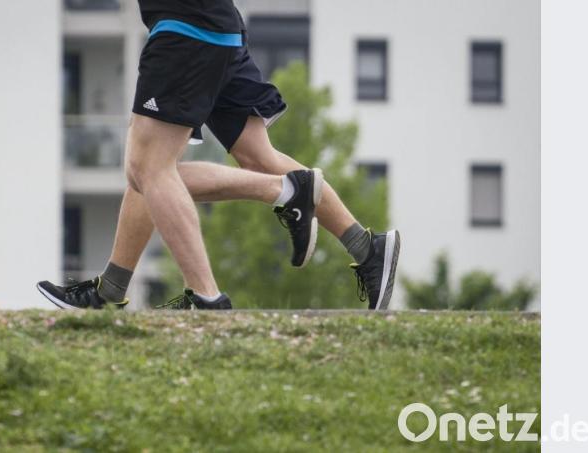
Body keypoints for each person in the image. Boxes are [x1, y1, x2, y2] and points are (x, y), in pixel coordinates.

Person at [37, 0, 400, 311]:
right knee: (251, 157)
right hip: (218, 28)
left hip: (187, 28)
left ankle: (209, 297)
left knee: (149, 168)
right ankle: (367, 248)